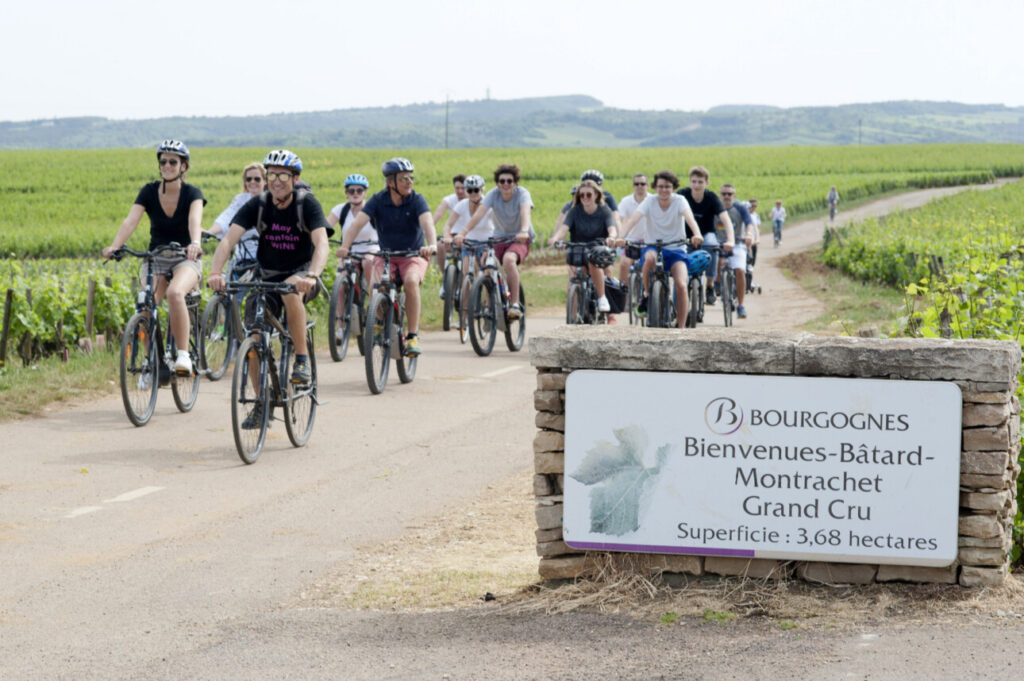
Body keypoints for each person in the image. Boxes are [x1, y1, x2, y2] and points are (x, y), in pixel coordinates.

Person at [207, 149, 331, 391]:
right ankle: (260, 401)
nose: (276, 181)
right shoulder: (259, 204)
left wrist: (313, 275)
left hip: (302, 272)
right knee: (253, 336)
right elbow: (227, 240)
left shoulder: (306, 203)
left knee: (290, 290)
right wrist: (215, 272)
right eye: (271, 175)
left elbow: (322, 243)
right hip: (266, 276)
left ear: (295, 179)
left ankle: (302, 360)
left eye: (283, 176)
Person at [103, 140, 205, 376]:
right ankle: (152, 363)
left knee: (175, 294)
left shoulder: (193, 194)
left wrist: (195, 243)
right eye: (163, 161)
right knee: (146, 305)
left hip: (185, 257)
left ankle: (183, 355)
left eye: (173, 162)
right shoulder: (149, 191)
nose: (167, 165)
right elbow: (131, 221)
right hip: (156, 257)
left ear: (184, 167)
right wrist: (115, 246)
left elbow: (195, 222)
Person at [337, 158, 437, 357]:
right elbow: (356, 224)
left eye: (411, 177)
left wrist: (431, 244)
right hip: (387, 256)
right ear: (391, 182)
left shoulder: (417, 200)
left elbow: (427, 223)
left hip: (413, 255)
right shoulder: (378, 200)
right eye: (404, 178)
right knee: (376, 285)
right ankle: (379, 324)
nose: (409, 181)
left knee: (410, 282)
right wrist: (345, 247)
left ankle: (412, 336)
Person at [617, 170, 702, 328]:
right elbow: (633, 220)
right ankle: (647, 295)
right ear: (655, 187)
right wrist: (620, 237)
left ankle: (681, 328)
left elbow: (690, 218)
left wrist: (697, 234)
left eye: (668, 187)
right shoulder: (649, 202)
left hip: (676, 248)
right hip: (653, 246)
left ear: (673, 187)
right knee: (649, 258)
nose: (664, 190)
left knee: (682, 285)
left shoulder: (680, 200)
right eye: (661, 186)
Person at [462, 163, 533, 320]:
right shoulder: (493, 195)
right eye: (502, 181)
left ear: (515, 182)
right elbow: (479, 214)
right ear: (497, 183)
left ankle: (514, 304)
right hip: (499, 238)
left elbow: (525, 212)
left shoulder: (522, 194)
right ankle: (490, 307)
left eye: (509, 181)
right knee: (486, 263)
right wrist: (463, 233)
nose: (506, 184)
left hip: (519, 238)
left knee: (509, 260)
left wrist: (524, 230)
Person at [548, 179, 618, 313]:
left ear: (596, 195)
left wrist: (611, 237)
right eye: (582, 195)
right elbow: (563, 229)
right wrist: (555, 239)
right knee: (573, 275)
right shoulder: (574, 211)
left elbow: (612, 229)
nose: (585, 198)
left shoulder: (604, 211)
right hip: (577, 249)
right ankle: (573, 314)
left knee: (593, 262)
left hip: (597, 248)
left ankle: (602, 297)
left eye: (589, 195)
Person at [677, 166, 735, 304]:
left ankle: (710, 284)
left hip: (707, 233)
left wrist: (731, 240)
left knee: (713, 245)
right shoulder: (681, 195)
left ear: (706, 183)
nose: (697, 185)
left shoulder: (712, 198)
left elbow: (726, 220)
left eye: (700, 182)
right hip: (686, 236)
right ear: (690, 182)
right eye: (694, 181)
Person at [207, 162, 267, 271]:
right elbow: (226, 218)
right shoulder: (240, 200)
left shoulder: (272, 200)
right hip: (244, 258)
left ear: (265, 181)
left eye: (257, 179)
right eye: (249, 179)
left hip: (267, 259)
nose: (252, 182)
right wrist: (209, 232)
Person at [328, 173, 378, 290]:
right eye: (351, 191)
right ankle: (339, 308)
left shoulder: (372, 210)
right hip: (349, 251)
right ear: (346, 193)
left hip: (371, 249)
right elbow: (325, 226)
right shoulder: (341, 209)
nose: (355, 193)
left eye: (359, 190)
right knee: (339, 282)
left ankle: (373, 302)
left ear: (365, 192)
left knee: (368, 263)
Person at [719, 184, 753, 318]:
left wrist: (749, 234)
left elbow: (749, 223)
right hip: (719, 243)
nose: (727, 197)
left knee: (739, 270)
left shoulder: (740, 208)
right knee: (715, 261)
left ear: (734, 195)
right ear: (720, 195)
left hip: (738, 243)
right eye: (724, 194)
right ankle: (715, 285)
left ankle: (741, 305)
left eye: (730, 194)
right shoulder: (716, 207)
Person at [448, 174, 495, 269]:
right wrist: (448, 236)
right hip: (469, 244)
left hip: (487, 244)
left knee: (488, 274)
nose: (473, 193)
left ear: (482, 189)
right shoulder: (462, 205)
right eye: (470, 190)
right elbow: (449, 224)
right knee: (467, 272)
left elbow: (499, 226)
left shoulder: (490, 206)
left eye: (476, 190)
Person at [433, 174, 467, 297]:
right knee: (440, 246)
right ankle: (446, 281)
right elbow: (436, 217)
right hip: (452, 235)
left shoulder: (475, 198)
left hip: (469, 235)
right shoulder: (449, 200)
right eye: (457, 188)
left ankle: (466, 285)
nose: (460, 191)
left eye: (463, 188)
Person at [616, 173, 650, 284]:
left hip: (649, 241)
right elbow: (618, 218)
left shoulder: (653, 200)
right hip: (631, 241)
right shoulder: (626, 201)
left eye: (642, 184)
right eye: (637, 184)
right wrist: (620, 236)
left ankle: (652, 295)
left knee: (652, 266)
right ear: (633, 186)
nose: (639, 186)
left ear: (647, 186)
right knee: (623, 265)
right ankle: (624, 297)